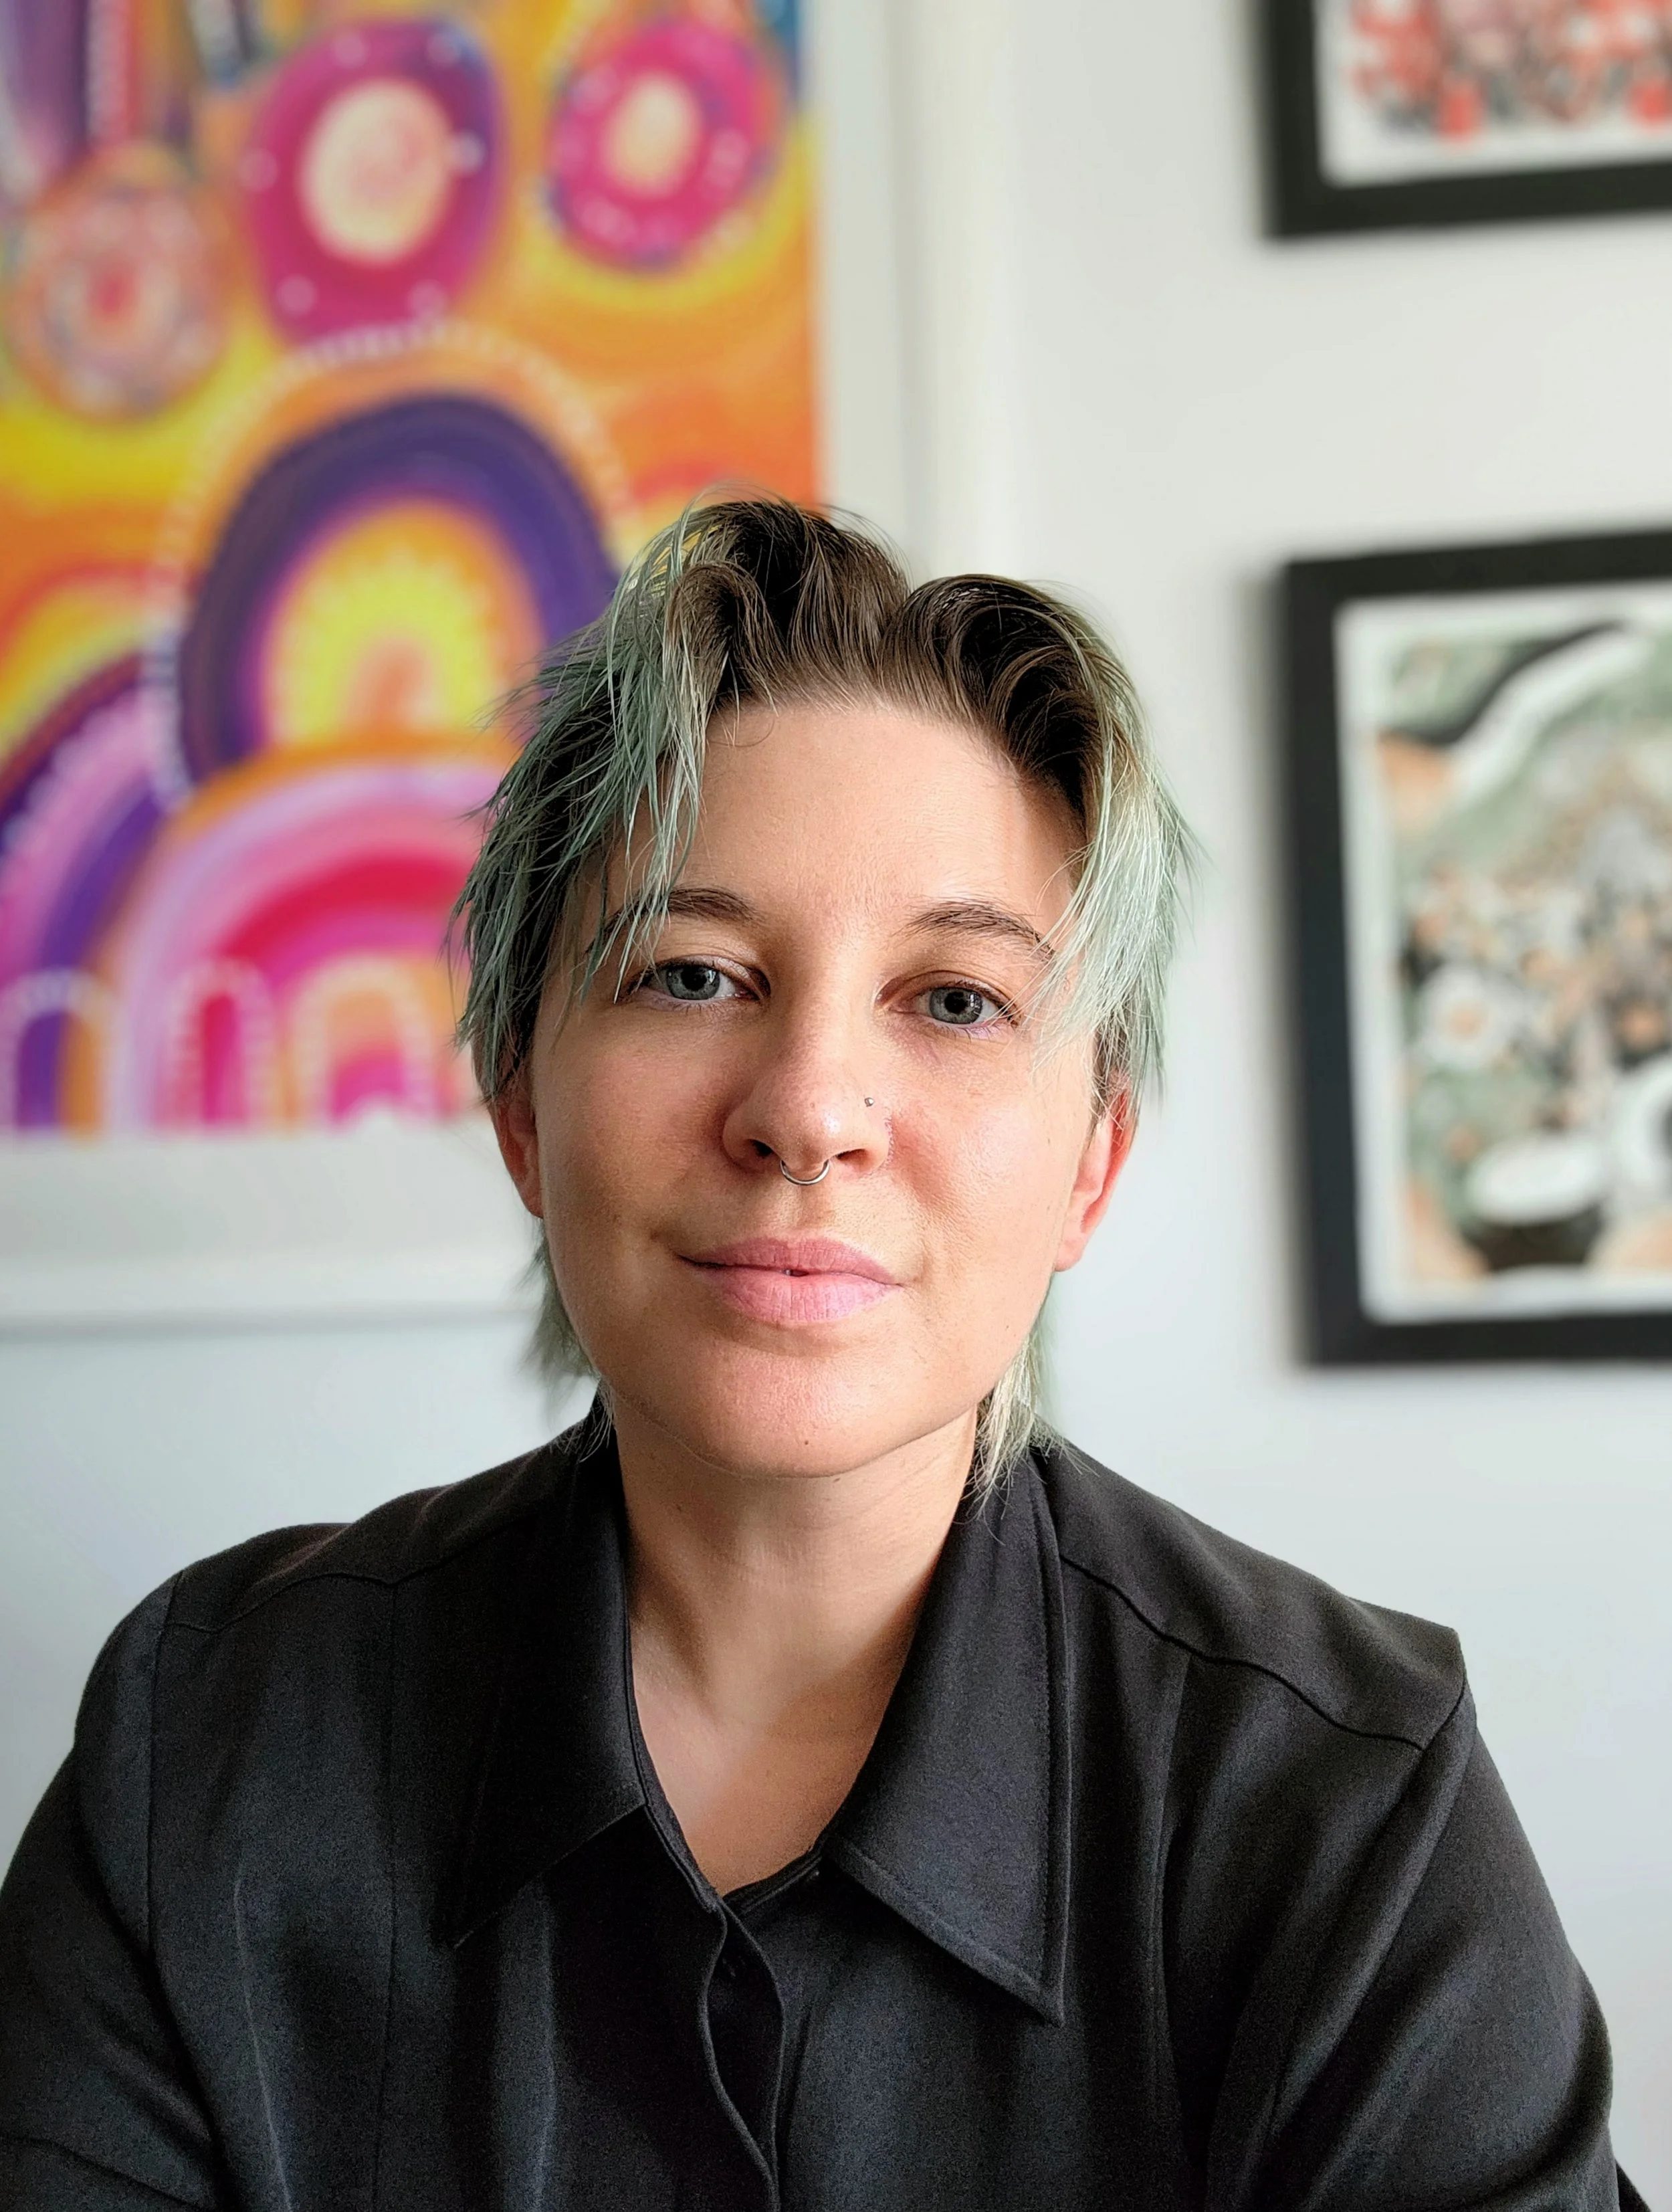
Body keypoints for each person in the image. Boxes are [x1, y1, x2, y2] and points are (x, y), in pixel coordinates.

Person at [0, 498, 1635, 2210]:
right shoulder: (205, 1745)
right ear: (518, 1116)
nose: (805, 1112)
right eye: (693, 973)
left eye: (952, 1002)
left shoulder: (1343, 1807)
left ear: (1089, 1160)